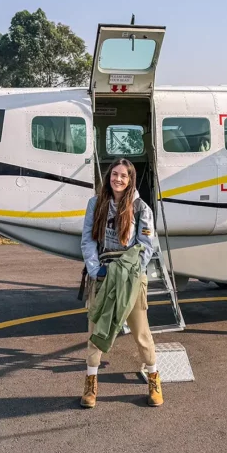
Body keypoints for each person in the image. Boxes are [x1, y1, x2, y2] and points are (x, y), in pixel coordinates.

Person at [79, 157, 162, 408]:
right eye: (115, 174)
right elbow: (88, 240)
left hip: (131, 277)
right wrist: (96, 270)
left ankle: (154, 380)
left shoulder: (140, 208)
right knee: (96, 333)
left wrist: (131, 273)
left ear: (130, 179)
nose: (118, 179)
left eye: (123, 175)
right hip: (103, 274)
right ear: (109, 176)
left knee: (141, 334)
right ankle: (91, 385)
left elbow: (146, 247)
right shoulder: (95, 204)